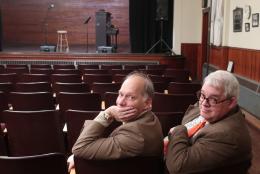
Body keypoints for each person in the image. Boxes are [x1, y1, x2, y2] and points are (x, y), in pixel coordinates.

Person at [68, 71, 163, 171]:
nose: (121, 102)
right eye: (121, 94)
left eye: (131, 97)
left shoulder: (135, 135)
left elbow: (80, 148)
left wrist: (107, 113)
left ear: (147, 103)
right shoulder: (151, 117)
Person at [165, 70, 252, 174]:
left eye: (213, 99)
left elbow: (177, 166)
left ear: (231, 102)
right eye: (202, 95)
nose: (204, 103)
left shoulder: (226, 136)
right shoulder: (216, 110)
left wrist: (179, 130)